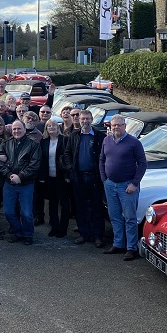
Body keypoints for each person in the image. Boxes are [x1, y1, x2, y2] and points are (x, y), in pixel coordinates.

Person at [99, 115, 147, 261]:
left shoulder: (134, 142)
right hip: (110, 184)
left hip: (127, 186)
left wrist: (134, 183)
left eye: (119, 125)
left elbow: (142, 164)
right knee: (114, 216)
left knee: (130, 218)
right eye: (114, 125)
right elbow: (102, 159)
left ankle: (131, 248)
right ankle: (118, 244)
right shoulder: (107, 140)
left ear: (125, 126)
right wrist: (104, 179)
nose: (116, 127)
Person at [65, 110, 105, 248]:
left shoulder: (100, 136)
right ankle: (84, 234)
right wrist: (70, 168)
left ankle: (98, 236)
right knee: (80, 207)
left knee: (96, 207)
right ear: (79, 120)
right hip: (78, 177)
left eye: (87, 118)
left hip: (94, 177)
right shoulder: (74, 136)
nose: (85, 121)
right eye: (82, 119)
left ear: (92, 119)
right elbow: (67, 154)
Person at [0, 120, 41, 245]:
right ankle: (18, 232)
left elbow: (34, 164)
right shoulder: (6, 143)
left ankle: (28, 234)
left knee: (26, 213)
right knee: (8, 212)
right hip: (9, 183)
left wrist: (20, 176)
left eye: (19, 128)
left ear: (24, 129)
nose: (16, 131)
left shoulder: (33, 144)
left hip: (26, 183)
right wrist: (9, 175)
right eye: (14, 129)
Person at [39, 119, 71, 238]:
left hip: (62, 177)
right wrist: (42, 177)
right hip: (49, 177)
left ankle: (63, 228)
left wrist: (68, 175)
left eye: (54, 125)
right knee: (52, 203)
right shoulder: (43, 142)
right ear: (46, 129)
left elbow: (68, 159)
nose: (51, 127)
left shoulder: (65, 140)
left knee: (64, 203)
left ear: (58, 128)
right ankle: (54, 227)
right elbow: (42, 161)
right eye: (49, 126)